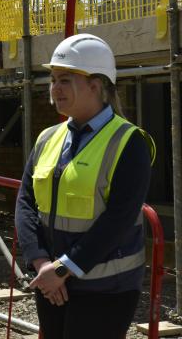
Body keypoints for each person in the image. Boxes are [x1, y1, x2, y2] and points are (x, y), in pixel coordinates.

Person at [15, 33, 155, 339]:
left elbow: (118, 219)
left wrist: (63, 269)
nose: (55, 88)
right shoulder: (47, 138)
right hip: (52, 284)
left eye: (65, 79)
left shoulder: (130, 142)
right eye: (52, 79)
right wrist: (41, 264)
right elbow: (26, 203)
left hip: (105, 290)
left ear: (96, 85)